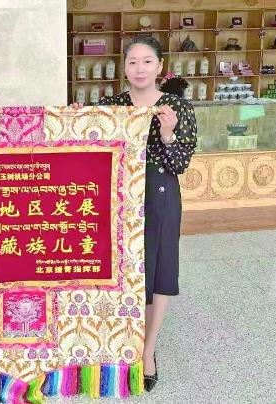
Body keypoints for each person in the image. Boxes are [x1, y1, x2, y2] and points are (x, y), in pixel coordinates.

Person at [98, 35, 197, 392]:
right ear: (124, 67)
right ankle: (119, 340)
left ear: (159, 66)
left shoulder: (176, 107)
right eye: (132, 62)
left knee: (159, 270)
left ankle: (147, 351)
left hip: (160, 197)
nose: (139, 68)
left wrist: (168, 134)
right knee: (121, 270)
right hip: (118, 200)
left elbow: (180, 163)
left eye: (147, 61)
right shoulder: (110, 106)